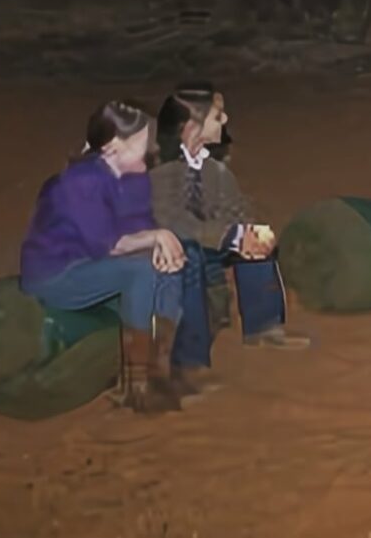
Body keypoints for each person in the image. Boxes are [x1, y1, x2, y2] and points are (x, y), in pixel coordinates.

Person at [18, 100, 191, 416]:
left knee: (169, 264)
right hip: (57, 273)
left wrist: (162, 247)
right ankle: (136, 386)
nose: (151, 148)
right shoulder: (81, 181)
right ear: (112, 147)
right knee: (142, 271)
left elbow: (140, 224)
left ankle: (162, 372)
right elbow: (105, 244)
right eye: (142, 142)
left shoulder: (133, 175)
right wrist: (155, 239)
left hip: (92, 264)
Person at [153, 82, 315, 389]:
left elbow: (237, 207)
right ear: (191, 128)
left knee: (254, 238)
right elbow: (174, 222)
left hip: (206, 243)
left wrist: (247, 232)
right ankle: (188, 363)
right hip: (165, 253)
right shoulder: (161, 173)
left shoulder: (214, 170)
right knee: (188, 257)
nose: (225, 120)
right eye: (217, 116)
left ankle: (264, 325)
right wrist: (229, 235)